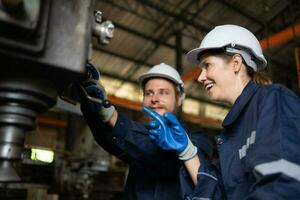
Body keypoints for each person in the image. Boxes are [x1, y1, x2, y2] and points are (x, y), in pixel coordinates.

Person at [144, 24, 300, 199]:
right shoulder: (230, 132)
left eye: (207, 65)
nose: (200, 77)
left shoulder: (273, 100)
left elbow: (281, 184)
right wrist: (187, 152)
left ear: (236, 63)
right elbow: (215, 190)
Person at [79, 62, 212, 200]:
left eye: (163, 92)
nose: (154, 99)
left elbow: (161, 156)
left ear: (179, 99)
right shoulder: (136, 140)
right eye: (149, 93)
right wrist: (91, 104)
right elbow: (107, 138)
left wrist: (111, 116)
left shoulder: (198, 141)